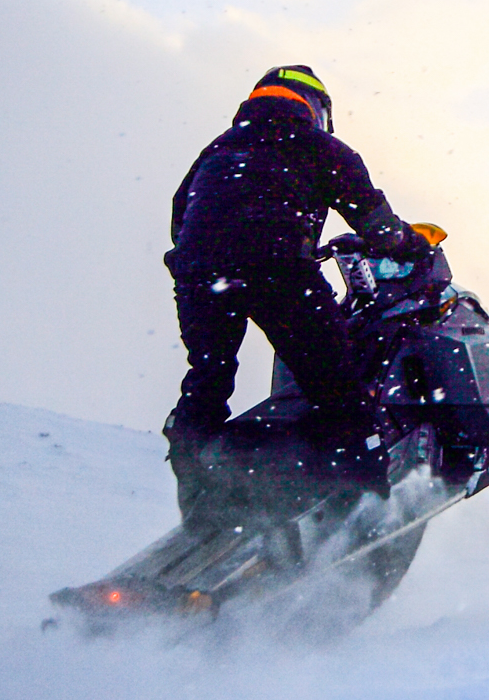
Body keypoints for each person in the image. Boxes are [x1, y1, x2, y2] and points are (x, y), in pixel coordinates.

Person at [163, 65, 415, 487]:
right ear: (317, 109)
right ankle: (363, 499)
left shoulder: (217, 150)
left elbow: (179, 218)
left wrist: (217, 250)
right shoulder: (320, 147)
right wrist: (410, 244)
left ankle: (198, 480)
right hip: (276, 266)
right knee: (338, 391)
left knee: (207, 379)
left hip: (198, 272)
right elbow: (377, 226)